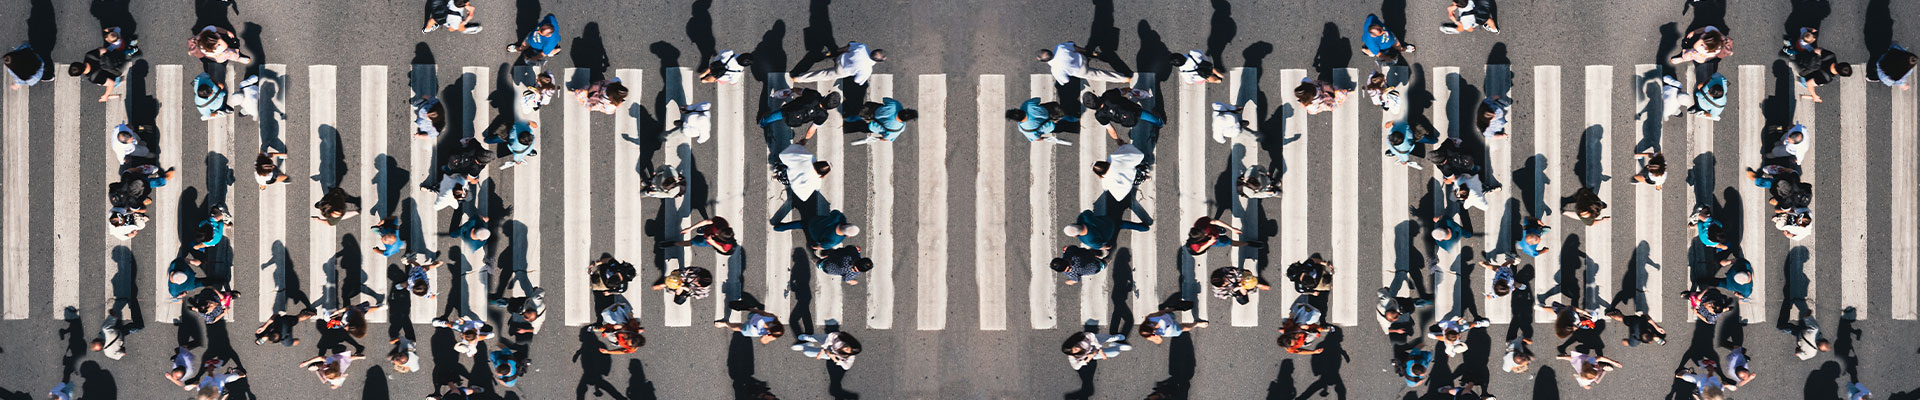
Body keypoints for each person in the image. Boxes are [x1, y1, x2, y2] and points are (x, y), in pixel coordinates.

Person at [70, 31, 138, 102]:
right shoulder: (89, 55)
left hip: (117, 70)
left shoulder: (93, 77)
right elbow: (104, 50)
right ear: (79, 63)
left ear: (80, 73)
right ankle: (132, 45)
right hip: (115, 56)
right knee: (123, 50)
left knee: (125, 57)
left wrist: (106, 95)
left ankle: (130, 52)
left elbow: (111, 83)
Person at [763, 88, 841, 144]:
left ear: (827, 96)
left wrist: (793, 90)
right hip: (795, 121)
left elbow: (800, 91)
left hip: (790, 110)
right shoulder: (823, 116)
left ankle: (763, 122)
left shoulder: (815, 95)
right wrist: (805, 140)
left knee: (776, 115)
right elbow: (812, 129)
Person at [1084, 87, 1163, 143]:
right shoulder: (1108, 95)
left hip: (1127, 121)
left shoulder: (1099, 116)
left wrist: (1117, 140)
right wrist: (1129, 89)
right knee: (1144, 114)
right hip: (1132, 109)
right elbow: (1122, 91)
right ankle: (1159, 122)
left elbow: (1111, 130)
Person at [793, 41, 884, 85]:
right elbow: (857, 80)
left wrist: (835, 51)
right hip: (842, 71)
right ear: (878, 61)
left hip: (840, 58)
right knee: (823, 74)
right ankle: (799, 78)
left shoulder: (862, 47)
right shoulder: (867, 70)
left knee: (852, 43)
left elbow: (846, 48)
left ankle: (827, 55)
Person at [1040, 41, 1129, 85]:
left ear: (1045, 62)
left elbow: (1065, 81)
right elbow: (1076, 48)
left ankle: (1123, 79)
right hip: (1082, 58)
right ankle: (1096, 56)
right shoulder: (1060, 47)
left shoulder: (1055, 70)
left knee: (1100, 75)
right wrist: (1088, 51)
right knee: (1070, 43)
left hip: (1080, 71)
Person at [774, 210, 858, 250]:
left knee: (800, 224)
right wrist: (815, 247)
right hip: (814, 235)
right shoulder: (835, 240)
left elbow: (833, 212)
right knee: (802, 225)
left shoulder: (839, 217)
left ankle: (780, 227)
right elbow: (822, 246)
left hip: (814, 222)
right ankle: (780, 228)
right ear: (847, 235)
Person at [847, 98, 917, 146]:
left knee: (854, 112)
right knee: (854, 127)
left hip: (869, 110)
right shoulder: (899, 128)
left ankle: (847, 116)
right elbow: (886, 138)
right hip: (870, 126)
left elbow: (885, 99)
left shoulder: (896, 105)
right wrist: (878, 139)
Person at [1009, 98, 1076, 145]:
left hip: (1051, 126)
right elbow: (1038, 99)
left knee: (1063, 126)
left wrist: (1044, 138)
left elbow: (1037, 138)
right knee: (1066, 111)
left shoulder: (1024, 129)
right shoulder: (1026, 105)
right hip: (1052, 109)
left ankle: (1073, 121)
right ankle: (1073, 116)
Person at [661, 216, 741, 255]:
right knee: (700, 231)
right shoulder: (722, 222)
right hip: (706, 231)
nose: (716, 232)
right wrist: (690, 228)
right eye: (718, 230)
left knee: (692, 242)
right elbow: (707, 221)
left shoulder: (728, 244)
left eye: (718, 234)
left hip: (707, 241)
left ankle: (673, 243)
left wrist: (712, 242)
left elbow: (724, 250)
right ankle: (701, 231)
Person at [716, 301, 786, 344]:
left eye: (770, 331)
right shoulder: (772, 317)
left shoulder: (772, 336)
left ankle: (726, 324)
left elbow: (763, 341)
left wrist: (767, 336)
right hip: (754, 317)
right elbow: (762, 312)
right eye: (771, 327)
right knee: (750, 311)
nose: (768, 330)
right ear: (775, 324)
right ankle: (748, 305)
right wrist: (748, 308)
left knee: (739, 328)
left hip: (751, 329)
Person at [1138, 302, 1205, 344]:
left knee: (1172, 312)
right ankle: (1197, 324)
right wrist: (1158, 337)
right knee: (1183, 328)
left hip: (1168, 317)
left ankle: (1174, 306)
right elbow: (1159, 341)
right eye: (1152, 331)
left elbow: (1161, 312)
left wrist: (1175, 308)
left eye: (1152, 327)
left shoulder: (1150, 317)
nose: (1154, 330)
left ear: (1147, 324)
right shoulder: (1149, 336)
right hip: (1171, 330)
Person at [1184, 217, 1257, 255]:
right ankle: (1248, 243)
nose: (1206, 233)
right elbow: (1198, 250)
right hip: (1215, 241)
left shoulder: (1200, 222)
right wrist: (1209, 243)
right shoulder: (1194, 244)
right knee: (1230, 242)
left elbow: (1215, 221)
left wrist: (1232, 229)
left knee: (1224, 234)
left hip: (1216, 231)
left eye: (1204, 231)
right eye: (1204, 234)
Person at [794, 331, 863, 370]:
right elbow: (831, 337)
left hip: (831, 353)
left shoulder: (850, 356)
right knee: (815, 337)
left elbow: (847, 367)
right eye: (847, 347)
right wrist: (823, 349)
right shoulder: (841, 337)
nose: (845, 349)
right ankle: (808, 337)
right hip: (828, 341)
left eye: (848, 351)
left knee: (808, 353)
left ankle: (805, 346)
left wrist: (836, 360)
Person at [1063, 331, 1129, 370]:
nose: (1075, 348)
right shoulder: (1072, 357)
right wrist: (1087, 359)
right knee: (1115, 353)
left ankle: (1115, 337)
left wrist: (1099, 349)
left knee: (1108, 337)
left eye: (1073, 345)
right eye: (1073, 350)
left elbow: (1092, 337)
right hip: (1091, 353)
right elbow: (1076, 367)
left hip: (1094, 341)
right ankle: (1117, 346)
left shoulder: (1081, 337)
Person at [1559, 350, 1623, 389]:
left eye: (1595, 366)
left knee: (1574, 359)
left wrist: (1614, 362)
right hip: (1582, 365)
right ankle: (1602, 367)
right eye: (1596, 367)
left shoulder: (1590, 361)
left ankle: (1602, 367)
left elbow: (1600, 358)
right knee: (1574, 358)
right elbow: (1586, 386)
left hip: (1582, 365)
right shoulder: (1585, 378)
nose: (1596, 366)